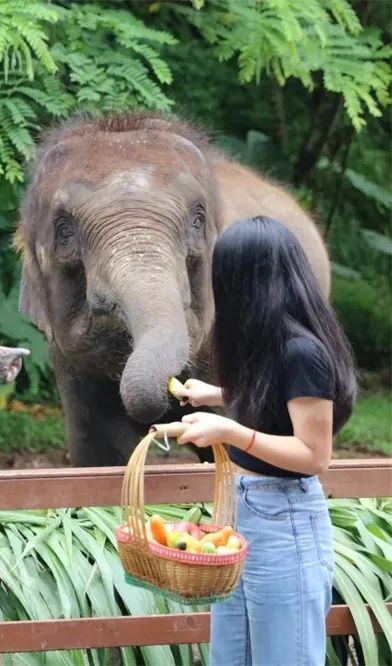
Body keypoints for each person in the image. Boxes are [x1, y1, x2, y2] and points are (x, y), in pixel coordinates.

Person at [173, 216, 356, 666]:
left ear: (247, 284)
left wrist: (229, 430)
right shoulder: (269, 345)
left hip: (283, 520)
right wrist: (218, 396)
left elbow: (313, 456)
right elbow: (275, 404)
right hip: (239, 512)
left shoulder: (302, 351)